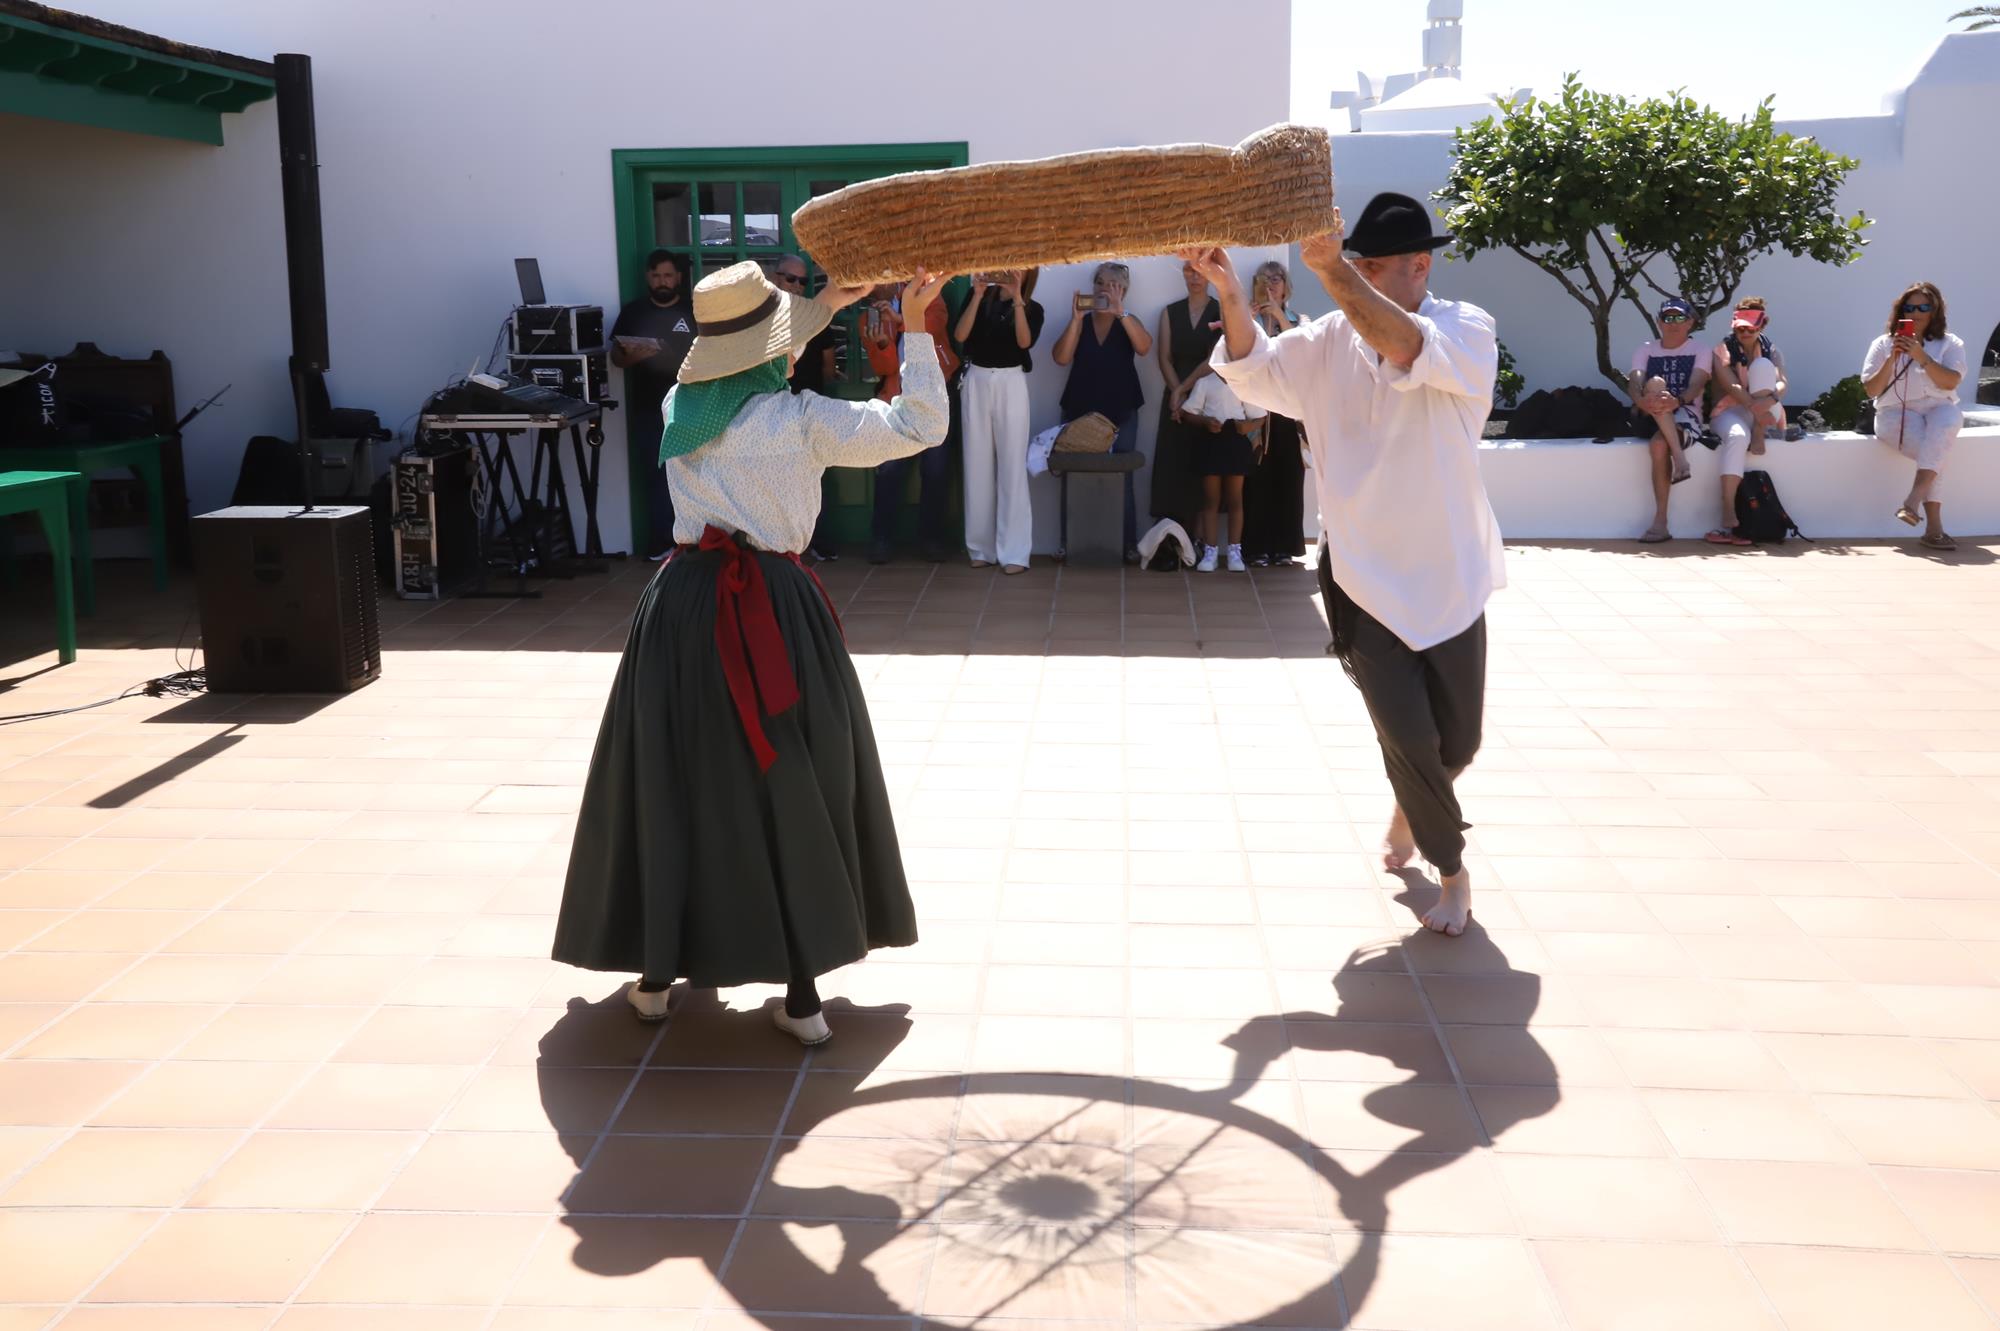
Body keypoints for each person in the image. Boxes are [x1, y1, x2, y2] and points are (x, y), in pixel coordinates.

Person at [554, 260, 953, 1046]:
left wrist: (820, 306)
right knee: (792, 778)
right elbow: (919, 426)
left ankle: (657, 978)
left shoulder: (679, 406)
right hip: (772, 605)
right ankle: (802, 997)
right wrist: (912, 323)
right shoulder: (804, 419)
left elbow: (748, 365)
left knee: (675, 776)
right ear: (779, 352)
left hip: (678, 611)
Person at [1187, 190, 1502, 938]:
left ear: (1420, 267)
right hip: (1360, 579)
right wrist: (1231, 293)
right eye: (1351, 262)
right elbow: (1252, 368)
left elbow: (1404, 346)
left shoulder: (1466, 330)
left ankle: (1408, 809)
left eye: (1371, 265)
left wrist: (1330, 272)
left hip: (1450, 574)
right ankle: (1452, 872)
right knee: (1410, 737)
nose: (1353, 274)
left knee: (1458, 744)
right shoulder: (1325, 339)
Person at [1052, 261, 1153, 562]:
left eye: (1112, 285)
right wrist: (1074, 320)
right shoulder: (1080, 323)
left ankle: (1128, 544)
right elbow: (1060, 357)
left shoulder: (1127, 320)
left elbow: (1145, 347)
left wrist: (1120, 312)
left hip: (1121, 409)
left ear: (1123, 290)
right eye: (1099, 283)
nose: (1103, 289)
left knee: (1123, 475)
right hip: (1079, 409)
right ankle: (1068, 543)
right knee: (1073, 474)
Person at [1862, 280, 1968, 551]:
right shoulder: (1883, 344)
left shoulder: (1950, 343)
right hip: (1895, 411)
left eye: (1924, 307)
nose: (1917, 312)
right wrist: (1892, 358)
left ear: (1935, 311)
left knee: (1948, 423)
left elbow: (1950, 383)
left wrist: (1922, 357)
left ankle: (1913, 501)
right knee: (1935, 453)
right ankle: (1934, 529)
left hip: (1938, 406)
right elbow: (1871, 389)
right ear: (1901, 310)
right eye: (1911, 307)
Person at [861, 282, 961, 563]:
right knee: (890, 469)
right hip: (897, 397)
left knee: (936, 469)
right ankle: (881, 539)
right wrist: (882, 342)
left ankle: (931, 539)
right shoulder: (867, 317)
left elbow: (937, 324)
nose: (873, 288)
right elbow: (886, 368)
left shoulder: (924, 294)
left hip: (935, 391)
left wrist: (902, 320)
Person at [953, 268, 1043, 574]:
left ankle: (1015, 553)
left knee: (1012, 466)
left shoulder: (1034, 308)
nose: (1010, 271)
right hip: (977, 378)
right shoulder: (979, 296)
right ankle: (980, 548)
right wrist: (977, 295)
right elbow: (961, 335)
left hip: (1011, 382)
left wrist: (1018, 299)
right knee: (976, 464)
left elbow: (1023, 342)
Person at [610, 249, 697, 558]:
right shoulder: (634, 313)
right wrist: (634, 355)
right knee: (656, 476)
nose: (663, 281)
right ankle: (662, 542)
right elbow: (617, 358)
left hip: (691, 408)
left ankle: (694, 542)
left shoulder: (694, 311)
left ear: (679, 278)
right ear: (648, 277)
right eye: (657, 275)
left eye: (668, 275)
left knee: (693, 475)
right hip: (648, 409)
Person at [772, 255, 842, 563]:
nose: (798, 286)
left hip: (809, 408)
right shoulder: (763, 318)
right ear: (776, 279)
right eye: (791, 279)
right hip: (772, 411)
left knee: (816, 478)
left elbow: (829, 365)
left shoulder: (816, 316)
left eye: (804, 281)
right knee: (777, 479)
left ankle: (820, 542)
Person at [1240, 260, 1309, 566]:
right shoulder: (1248, 320)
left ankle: (1285, 546)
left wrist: (1279, 315)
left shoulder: (1299, 319)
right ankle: (1255, 547)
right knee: (1257, 479)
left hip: (1288, 412)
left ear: (1286, 285)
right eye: (1264, 278)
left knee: (1289, 478)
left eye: (1277, 277)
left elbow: (1304, 354)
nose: (1271, 282)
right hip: (1256, 407)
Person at [1705, 298, 1787, 546]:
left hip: (1764, 408)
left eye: (1750, 328)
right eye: (1740, 328)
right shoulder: (1723, 350)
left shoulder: (1771, 350)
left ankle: (1759, 429)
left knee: (1762, 365)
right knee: (1738, 437)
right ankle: (1728, 509)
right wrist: (1756, 408)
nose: (1745, 333)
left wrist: (1769, 401)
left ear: (1762, 326)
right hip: (1730, 410)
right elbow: (1732, 386)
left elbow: (1782, 382)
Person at [1629, 296, 1711, 542]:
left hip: (1685, 413)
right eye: (1668, 318)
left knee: (1657, 444)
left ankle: (1660, 521)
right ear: (1659, 321)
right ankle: (1680, 458)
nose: (1673, 323)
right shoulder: (1646, 349)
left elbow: (1697, 383)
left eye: (1679, 317)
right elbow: (1635, 381)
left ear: (1690, 322)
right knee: (1654, 383)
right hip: (1648, 411)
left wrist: (1679, 401)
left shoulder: (1700, 350)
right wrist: (1641, 400)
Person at [1151, 260, 1224, 535]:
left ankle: (1203, 540)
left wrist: (1183, 391)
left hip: (1206, 396)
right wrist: (1177, 393)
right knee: (1172, 461)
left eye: (1199, 271)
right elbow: (1164, 357)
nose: (1194, 277)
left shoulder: (1220, 311)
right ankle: (1170, 534)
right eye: (1188, 271)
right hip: (1174, 400)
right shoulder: (1170, 312)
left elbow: (1214, 359)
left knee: (1203, 465)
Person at [1178, 368, 1266, 571]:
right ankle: (1211, 552)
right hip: (1211, 442)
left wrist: (1247, 427)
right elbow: (1189, 413)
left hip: (1236, 441)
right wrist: (1205, 422)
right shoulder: (1204, 382)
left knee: (1235, 499)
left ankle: (1235, 552)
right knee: (1211, 500)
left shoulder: (1243, 381)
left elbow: (1260, 416)